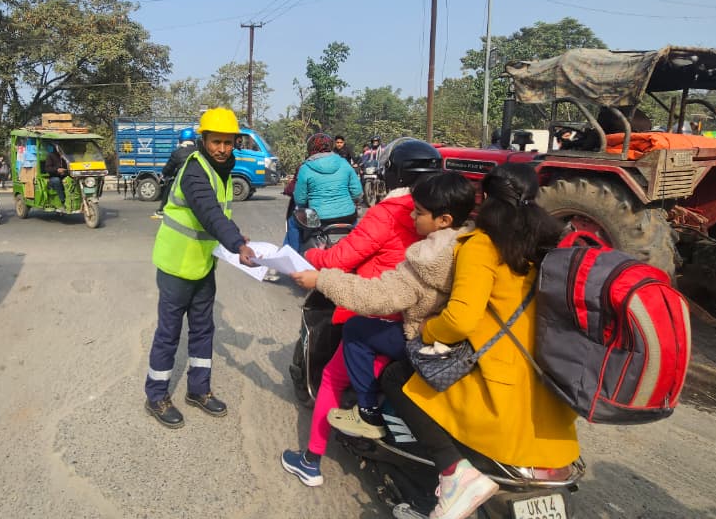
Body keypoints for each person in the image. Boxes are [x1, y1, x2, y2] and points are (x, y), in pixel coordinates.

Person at [383, 162, 578, 519]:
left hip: (494, 381)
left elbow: (459, 319)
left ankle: (454, 473)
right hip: (546, 380)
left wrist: (428, 329)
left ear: (485, 198)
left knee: (397, 377)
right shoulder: (546, 244)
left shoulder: (482, 245)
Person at [282, 173, 475, 486]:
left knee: (337, 368)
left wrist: (315, 266)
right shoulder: (471, 243)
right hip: (437, 337)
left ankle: (312, 460)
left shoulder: (403, 231)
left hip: (393, 319)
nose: (413, 216)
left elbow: (347, 263)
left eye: (420, 212)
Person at [145, 107, 257, 429]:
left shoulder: (221, 169)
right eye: (216, 142)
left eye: (228, 142)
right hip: (176, 266)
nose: (222, 149)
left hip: (203, 265)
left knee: (204, 329)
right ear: (202, 140)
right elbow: (209, 212)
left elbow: (220, 215)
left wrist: (235, 234)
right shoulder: (195, 170)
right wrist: (237, 244)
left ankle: (198, 390)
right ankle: (156, 395)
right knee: (168, 334)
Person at [289, 133, 362, 251]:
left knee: (293, 222)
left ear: (310, 149)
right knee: (357, 235)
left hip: (318, 219)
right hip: (348, 216)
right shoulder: (344, 163)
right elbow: (357, 192)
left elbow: (300, 200)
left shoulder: (305, 168)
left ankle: (293, 259)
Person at [153, 128, 197, 219]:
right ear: (193, 140)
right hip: (198, 179)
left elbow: (169, 168)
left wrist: (164, 174)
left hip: (182, 180)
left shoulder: (177, 153)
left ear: (181, 139)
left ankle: (162, 210)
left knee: (168, 188)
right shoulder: (199, 152)